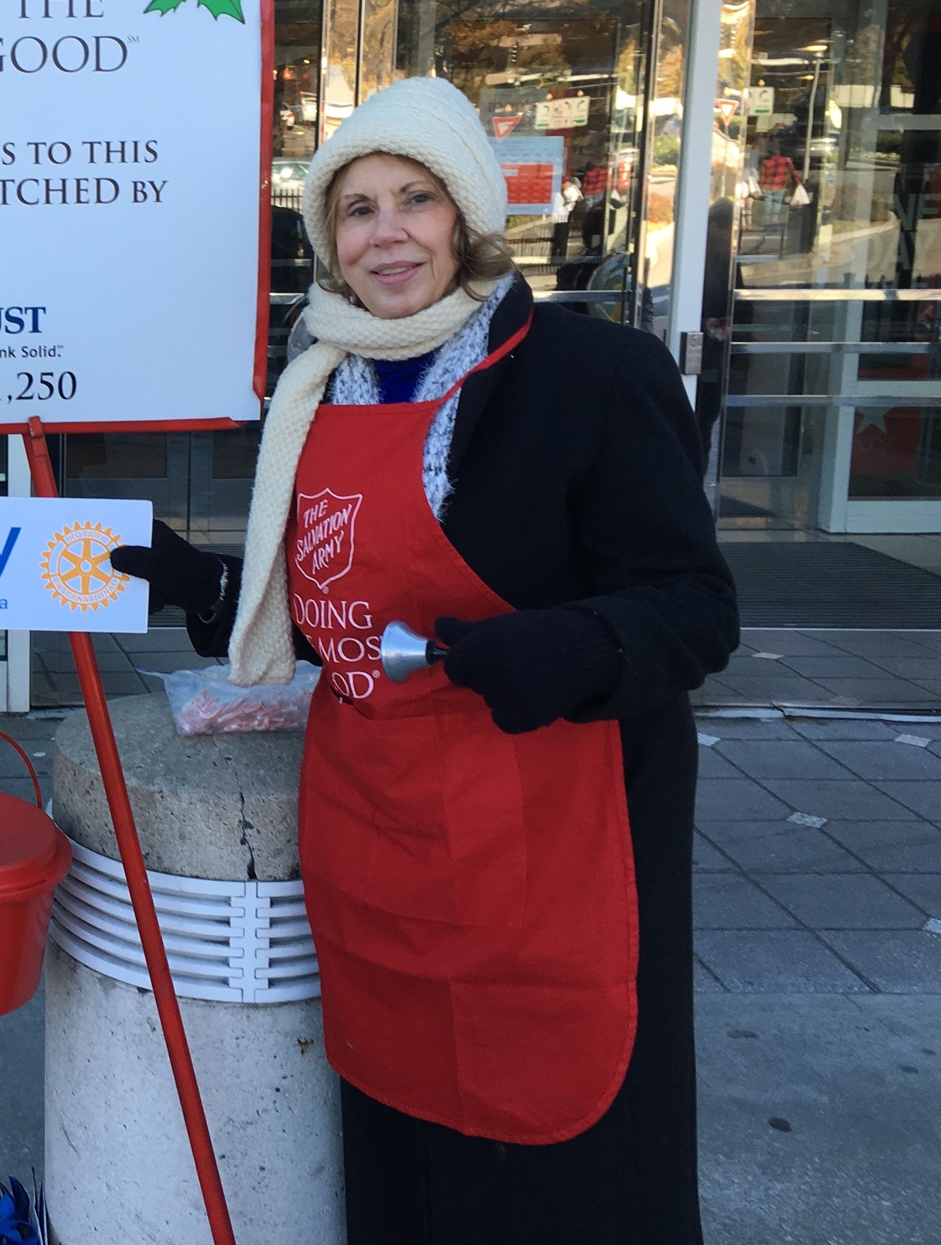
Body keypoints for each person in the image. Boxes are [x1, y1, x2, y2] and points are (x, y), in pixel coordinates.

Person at [111, 76, 737, 1244]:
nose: (385, 233)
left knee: (557, 1160)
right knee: (407, 1151)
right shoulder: (317, 383)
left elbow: (694, 609)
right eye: (355, 209)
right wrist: (211, 588)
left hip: (550, 838)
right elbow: (346, 605)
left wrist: (574, 644)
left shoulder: (591, 375)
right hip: (379, 836)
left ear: (467, 217)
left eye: (415, 199)